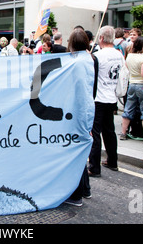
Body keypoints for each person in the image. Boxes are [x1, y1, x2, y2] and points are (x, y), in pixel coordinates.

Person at [64, 28, 94, 206]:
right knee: (79, 150)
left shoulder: (77, 63)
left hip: (78, 113)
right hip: (85, 111)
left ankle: (76, 195)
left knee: (75, 151)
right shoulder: (87, 59)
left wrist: (82, 120)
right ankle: (85, 189)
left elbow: (80, 92)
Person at [88, 26, 124, 176]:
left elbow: (92, 78)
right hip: (112, 97)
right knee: (109, 131)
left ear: (101, 38)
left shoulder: (97, 56)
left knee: (95, 133)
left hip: (98, 98)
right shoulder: (119, 55)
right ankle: (112, 161)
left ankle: (95, 167)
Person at [120, 36, 143, 145]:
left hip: (132, 84)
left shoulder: (129, 56)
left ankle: (123, 132)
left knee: (128, 109)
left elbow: (127, 68)